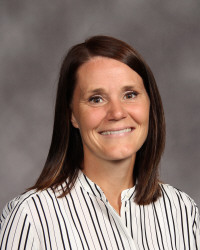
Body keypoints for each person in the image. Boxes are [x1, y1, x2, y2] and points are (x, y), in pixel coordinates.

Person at [0, 35, 199, 250]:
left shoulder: (181, 209)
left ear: (150, 104)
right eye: (96, 99)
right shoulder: (31, 217)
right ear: (73, 116)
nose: (117, 112)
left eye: (130, 94)